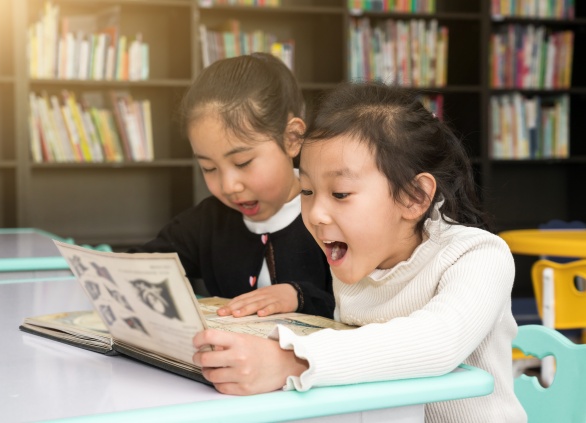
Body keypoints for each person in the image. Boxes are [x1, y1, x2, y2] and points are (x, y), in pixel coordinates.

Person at [192, 82, 527, 422]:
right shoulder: (359, 260)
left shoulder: (479, 255)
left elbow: (440, 340)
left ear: (414, 196)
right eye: (307, 191)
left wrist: (292, 360)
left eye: (340, 194)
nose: (315, 214)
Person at [129, 53, 334, 319]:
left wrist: (299, 296)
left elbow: (362, 308)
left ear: (292, 138)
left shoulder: (330, 216)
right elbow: (144, 264)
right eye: (209, 168)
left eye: (242, 162)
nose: (228, 186)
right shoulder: (210, 220)